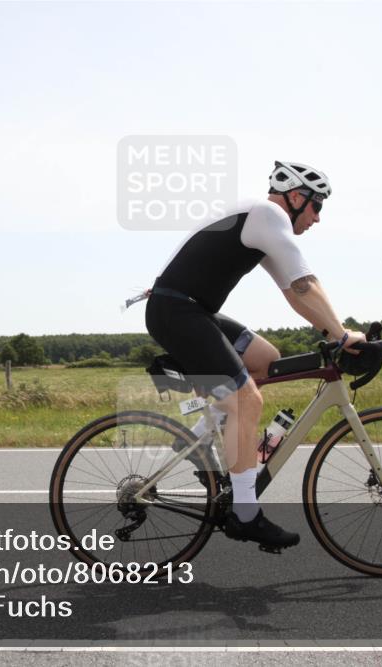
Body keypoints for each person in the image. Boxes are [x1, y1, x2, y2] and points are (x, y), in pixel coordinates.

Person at [144, 160, 366, 550]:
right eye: (317, 207)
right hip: (178, 312)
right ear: (297, 198)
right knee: (247, 401)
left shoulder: (260, 221)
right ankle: (246, 515)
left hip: (190, 310)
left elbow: (294, 292)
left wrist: (333, 331)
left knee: (266, 358)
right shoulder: (267, 215)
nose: (317, 218)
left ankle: (195, 441)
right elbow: (305, 286)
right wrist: (343, 333)